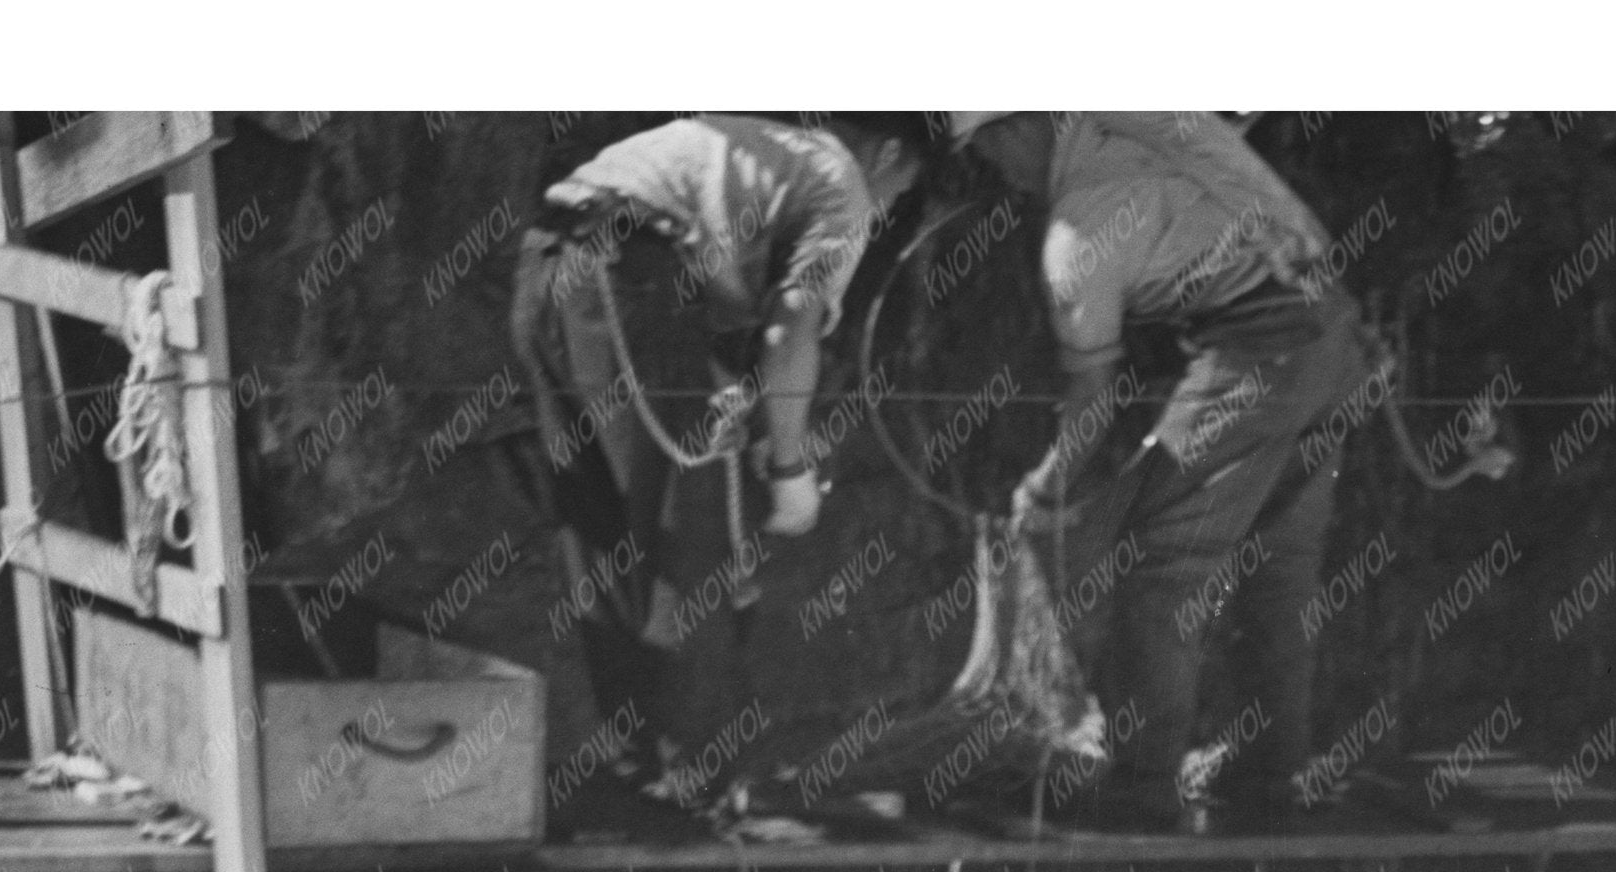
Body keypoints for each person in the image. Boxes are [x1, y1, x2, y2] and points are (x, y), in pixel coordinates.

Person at [952, 114, 1384, 822]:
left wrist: (1045, 487)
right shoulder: (1146, 125)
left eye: (992, 146)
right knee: (1278, 571)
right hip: (1333, 333)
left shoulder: (1076, 235)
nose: (999, 170)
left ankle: (1139, 787)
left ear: (1023, 123)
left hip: (1259, 348)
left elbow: (1093, 397)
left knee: (1160, 566)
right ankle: (1267, 773)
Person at [508, 115, 928, 814]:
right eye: (897, 194)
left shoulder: (759, 159)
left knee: (602, 535)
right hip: (622, 279)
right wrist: (790, 470)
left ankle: (631, 768)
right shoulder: (843, 181)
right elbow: (794, 319)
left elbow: (735, 322)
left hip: (549, 270)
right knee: (696, 538)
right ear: (887, 152)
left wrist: (757, 419)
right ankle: (701, 776)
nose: (879, 216)